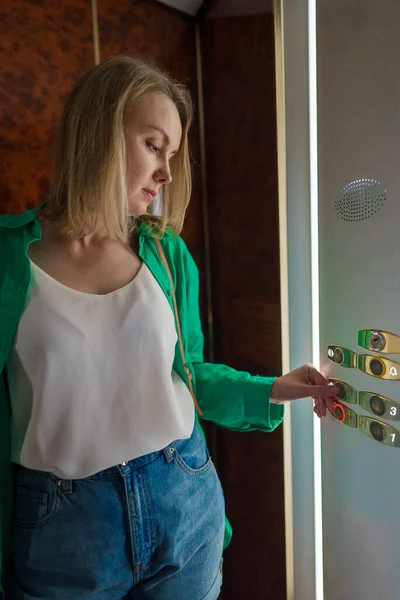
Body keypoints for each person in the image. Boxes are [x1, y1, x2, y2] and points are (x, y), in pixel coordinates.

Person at [0, 55, 339, 599]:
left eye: (173, 154)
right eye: (154, 145)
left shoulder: (166, 253)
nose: (166, 173)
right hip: (62, 525)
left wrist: (275, 388)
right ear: (98, 134)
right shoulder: (8, 257)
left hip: (182, 493)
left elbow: (190, 373)